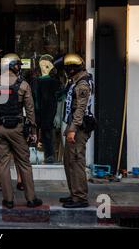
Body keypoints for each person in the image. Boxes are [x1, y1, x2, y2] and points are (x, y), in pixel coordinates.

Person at [0, 53, 43, 209]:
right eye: (17, 65)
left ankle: (8, 200)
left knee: (2, 164)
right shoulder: (23, 85)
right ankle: (31, 199)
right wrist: (32, 131)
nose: (19, 68)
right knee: (24, 163)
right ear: (12, 66)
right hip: (17, 128)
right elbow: (30, 111)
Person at [59, 53, 95, 209]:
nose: (66, 71)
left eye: (67, 69)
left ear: (72, 69)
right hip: (73, 124)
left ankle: (80, 197)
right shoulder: (77, 80)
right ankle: (74, 193)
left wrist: (72, 129)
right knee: (69, 162)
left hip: (79, 127)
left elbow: (80, 109)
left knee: (76, 161)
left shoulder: (82, 84)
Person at [31, 54, 62, 164]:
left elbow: (59, 99)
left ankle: (49, 155)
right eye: (42, 62)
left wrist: (58, 115)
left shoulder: (54, 82)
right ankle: (32, 154)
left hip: (49, 112)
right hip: (35, 111)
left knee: (47, 133)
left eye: (47, 63)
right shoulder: (34, 81)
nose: (44, 65)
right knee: (33, 132)